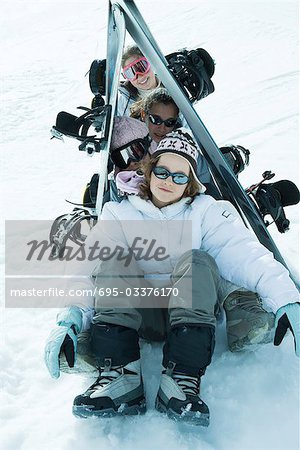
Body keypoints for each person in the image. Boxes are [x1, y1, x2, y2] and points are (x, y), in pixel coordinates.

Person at [45, 129, 299, 426]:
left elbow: (242, 252)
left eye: (180, 176)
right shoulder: (118, 214)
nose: (168, 181)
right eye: (163, 171)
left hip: (192, 314)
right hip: (139, 317)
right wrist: (70, 316)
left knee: (198, 260)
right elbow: (86, 270)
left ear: (190, 183)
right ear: (149, 171)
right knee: (112, 261)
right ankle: (121, 375)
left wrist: (286, 298)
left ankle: (181, 377)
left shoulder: (206, 212)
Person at [117, 44, 160, 116]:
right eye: (130, 73)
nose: (139, 76)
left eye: (142, 67)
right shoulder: (125, 102)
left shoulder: (173, 89)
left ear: (150, 63)